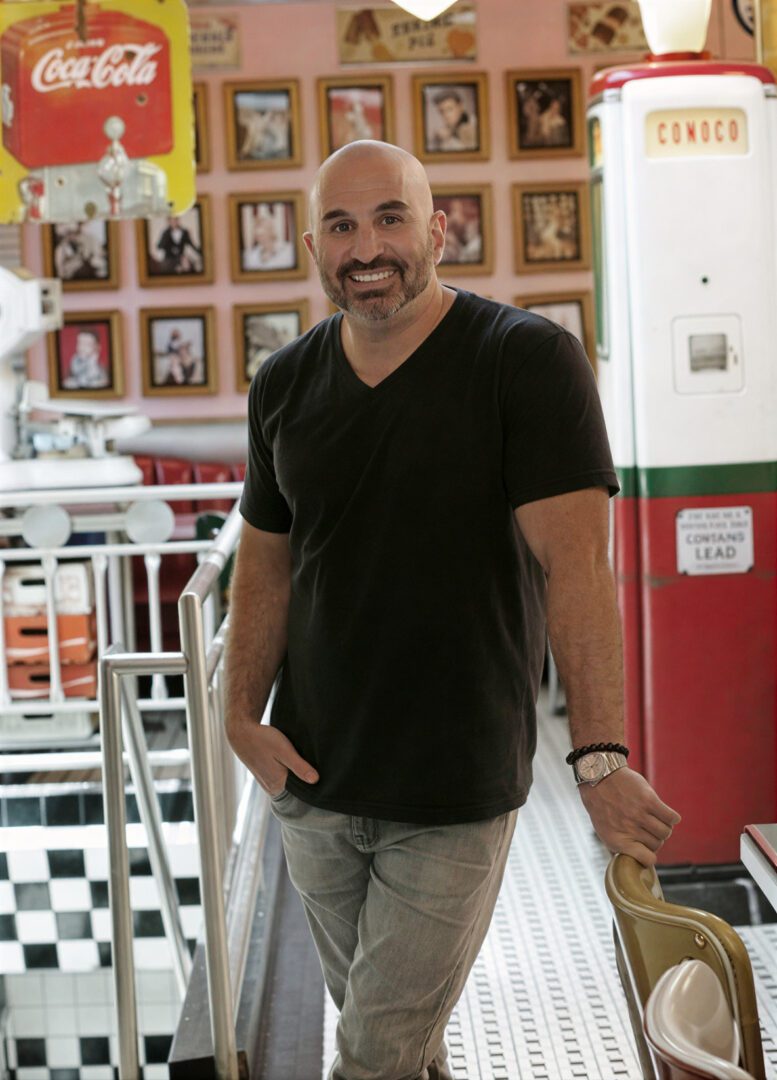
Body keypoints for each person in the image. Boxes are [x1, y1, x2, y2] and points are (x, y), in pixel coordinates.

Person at [225, 140, 681, 1080]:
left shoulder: (524, 360)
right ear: (313, 248)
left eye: (389, 218)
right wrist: (238, 718)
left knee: (372, 1056)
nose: (366, 248)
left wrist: (598, 759)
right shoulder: (283, 383)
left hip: (455, 784)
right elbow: (264, 566)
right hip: (310, 782)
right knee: (400, 1046)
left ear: (437, 231)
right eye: (341, 227)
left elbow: (576, 570)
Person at [428, 88, 478, 152]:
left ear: (461, 106)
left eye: (450, 109)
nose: (446, 115)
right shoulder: (442, 134)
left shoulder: (475, 124)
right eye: (442, 111)